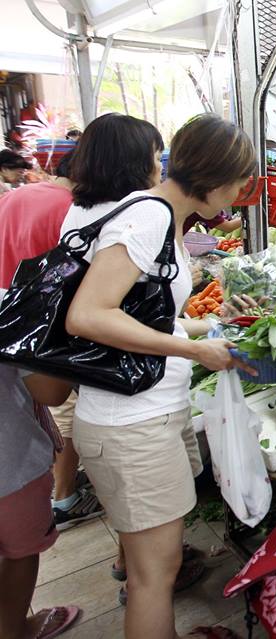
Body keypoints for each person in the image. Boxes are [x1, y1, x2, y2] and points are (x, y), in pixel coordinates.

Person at [63, 113, 256, 639]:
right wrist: (194, 352)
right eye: (240, 183)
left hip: (145, 414)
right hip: (129, 425)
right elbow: (89, 315)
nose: (241, 195)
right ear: (216, 179)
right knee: (154, 576)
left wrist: (205, 325)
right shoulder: (148, 217)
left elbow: (139, 312)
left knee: (158, 567)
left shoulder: (160, 215)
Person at [0, 151, 106, 530]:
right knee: (63, 408)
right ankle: (64, 497)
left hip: (9, 318)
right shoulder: (71, 211)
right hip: (45, 328)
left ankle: (61, 489)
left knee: (33, 410)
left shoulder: (15, 195)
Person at [0, 366, 82, 639]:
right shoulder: (10, 321)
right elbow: (51, 391)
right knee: (20, 552)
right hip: (11, 468)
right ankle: (13, 628)